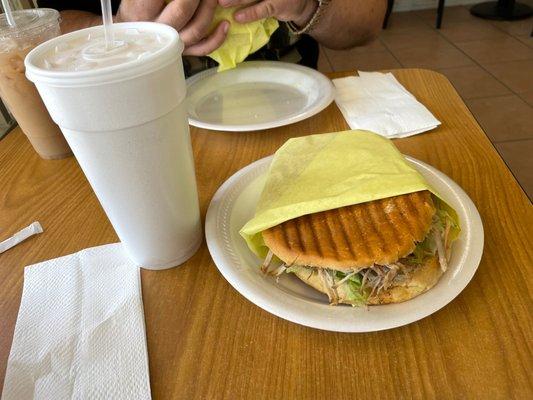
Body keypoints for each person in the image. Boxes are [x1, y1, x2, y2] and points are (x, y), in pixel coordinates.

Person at [38, 0, 386, 76]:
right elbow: (46, 27)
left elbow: (367, 22)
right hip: (138, 116)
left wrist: (306, 4)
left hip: (297, 104)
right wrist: (126, 30)